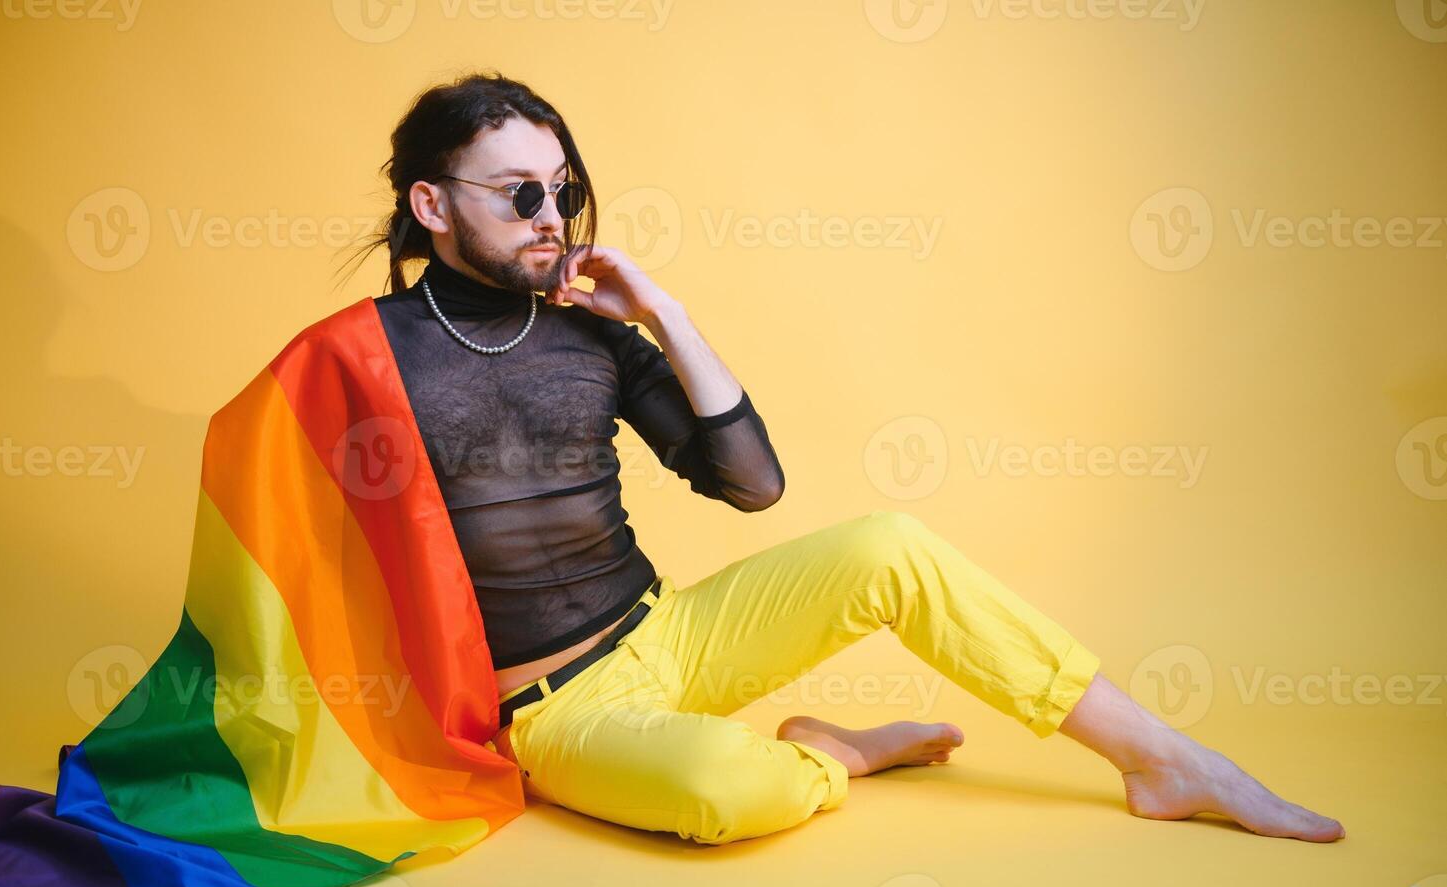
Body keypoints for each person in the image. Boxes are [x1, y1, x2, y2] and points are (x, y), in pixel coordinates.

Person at [344, 71, 1345, 847]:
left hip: (677, 632)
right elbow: (299, 543)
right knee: (720, 791)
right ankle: (828, 755)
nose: (554, 217)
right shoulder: (362, 355)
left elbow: (753, 484)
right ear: (433, 205)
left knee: (891, 544)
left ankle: (1163, 759)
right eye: (522, 193)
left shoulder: (594, 334)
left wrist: (664, 315)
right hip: (556, 709)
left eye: (563, 190)